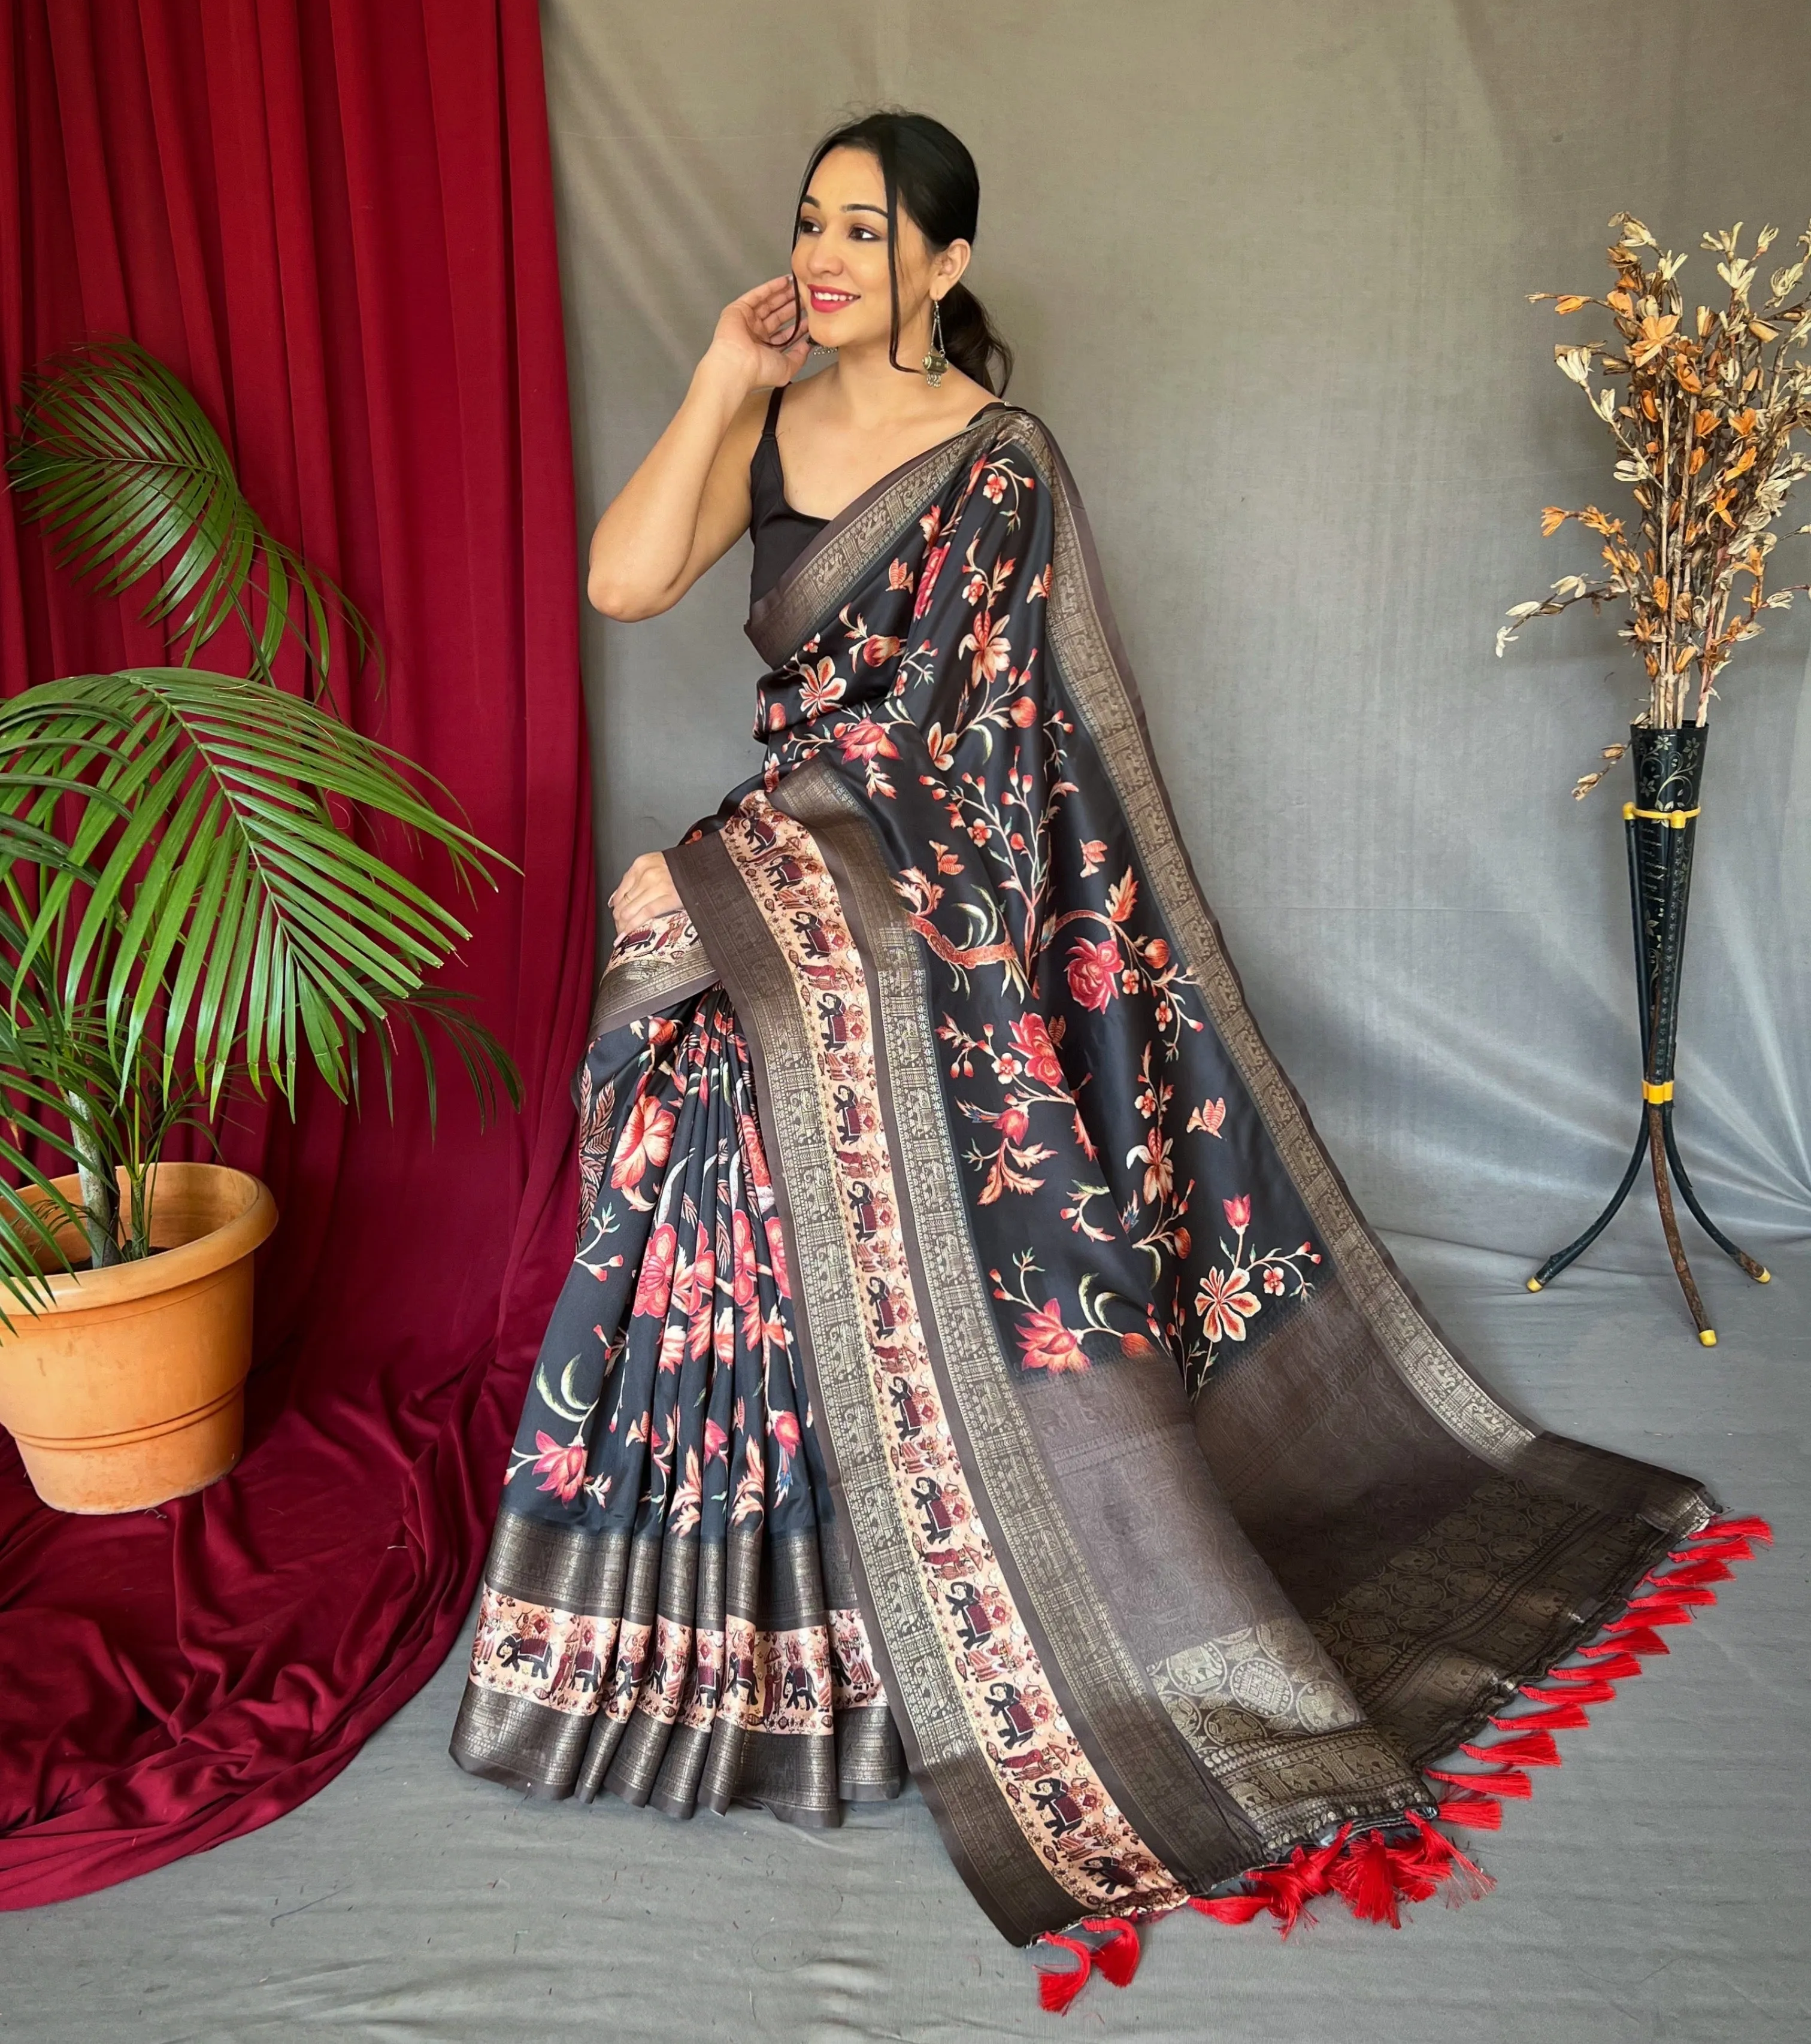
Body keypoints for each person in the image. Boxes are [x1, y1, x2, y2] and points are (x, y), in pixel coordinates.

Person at [450, 109, 1732, 1996]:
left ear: (948, 267)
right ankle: (739, 1626)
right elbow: (625, 582)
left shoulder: (999, 462)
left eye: (866, 234)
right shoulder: (783, 419)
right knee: (708, 1078)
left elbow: (1006, 763)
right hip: (797, 845)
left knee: (819, 1053)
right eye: (811, 224)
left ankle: (952, 1613)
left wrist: (838, 867)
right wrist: (726, 374)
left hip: (939, 875)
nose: (823, 258)